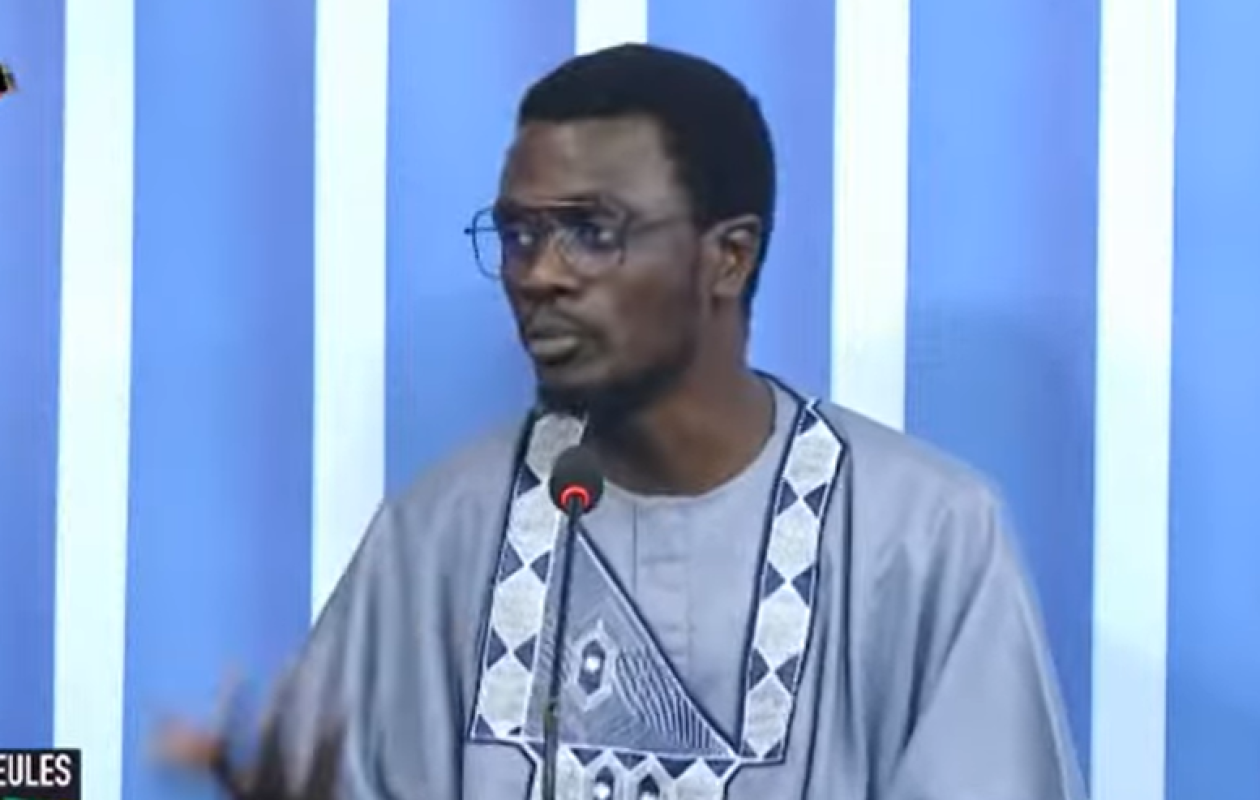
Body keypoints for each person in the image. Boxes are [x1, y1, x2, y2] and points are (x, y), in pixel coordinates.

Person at [159, 43, 1087, 800]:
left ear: (728, 258)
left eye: (590, 232)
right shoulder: (443, 532)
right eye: (519, 234)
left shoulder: (921, 535)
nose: (539, 274)